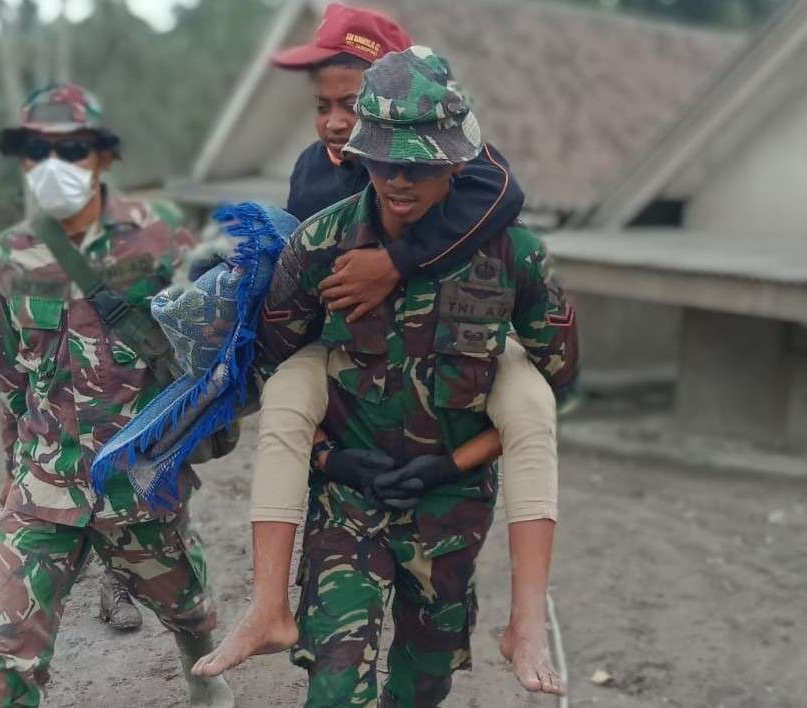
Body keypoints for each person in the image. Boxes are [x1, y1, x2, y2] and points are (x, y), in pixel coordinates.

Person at [192, 4, 570, 696]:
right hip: (348, 492)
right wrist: (334, 458)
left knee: (421, 686)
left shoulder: (504, 241)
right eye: (381, 158)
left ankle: (526, 622)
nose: (398, 179)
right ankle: (268, 605)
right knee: (335, 688)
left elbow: (558, 373)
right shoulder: (319, 230)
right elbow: (276, 350)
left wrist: (450, 463)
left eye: (418, 165)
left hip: (450, 503)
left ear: (456, 160)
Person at [0, 83, 233, 708]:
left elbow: (207, 350)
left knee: (187, 609)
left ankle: (199, 665)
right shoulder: (9, 255)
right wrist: (15, 467)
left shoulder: (162, 235)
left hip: (138, 479)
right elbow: (11, 377)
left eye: (74, 148)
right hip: (46, 484)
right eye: (36, 150)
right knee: (6, 658)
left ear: (104, 156)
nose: (53, 165)